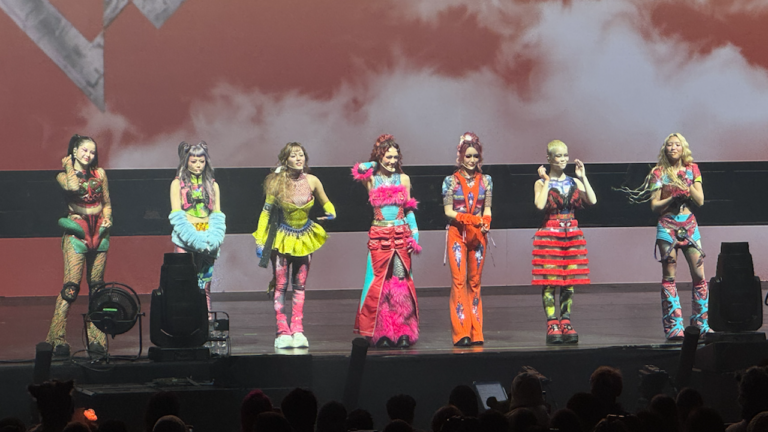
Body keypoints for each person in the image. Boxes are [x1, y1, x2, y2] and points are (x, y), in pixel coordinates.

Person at [620, 133, 709, 340]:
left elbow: (700, 200)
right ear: (665, 149)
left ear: (683, 148)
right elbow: (654, 205)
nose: (673, 148)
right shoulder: (658, 172)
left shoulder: (692, 169)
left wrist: (686, 186)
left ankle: (701, 323)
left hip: (689, 225)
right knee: (669, 276)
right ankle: (673, 326)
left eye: (677, 144)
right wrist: (671, 198)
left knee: (699, 275)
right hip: (667, 226)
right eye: (670, 145)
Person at [253, 142, 335, 349]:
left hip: (305, 237)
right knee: (281, 285)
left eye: (301, 155)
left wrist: (331, 212)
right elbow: (266, 212)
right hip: (282, 239)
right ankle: (282, 331)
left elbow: (326, 202)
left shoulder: (312, 181)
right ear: (285, 160)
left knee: (300, 285)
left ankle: (298, 329)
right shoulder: (276, 183)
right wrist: (260, 240)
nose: (298, 159)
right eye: (293, 155)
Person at [352, 134, 421, 348]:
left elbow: (408, 208)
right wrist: (375, 162)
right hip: (379, 237)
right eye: (388, 157)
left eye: (395, 157)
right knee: (379, 283)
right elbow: (360, 169)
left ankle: (403, 331)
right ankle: (381, 332)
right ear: (380, 157)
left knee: (400, 281)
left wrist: (415, 233)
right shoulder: (372, 180)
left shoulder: (404, 179)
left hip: (401, 236)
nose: (392, 161)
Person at [46, 134, 112, 357]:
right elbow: (73, 187)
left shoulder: (100, 174)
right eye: (84, 150)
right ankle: (57, 338)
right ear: (74, 151)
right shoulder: (63, 176)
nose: (88, 155)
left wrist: (107, 218)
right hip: (76, 234)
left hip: (99, 233)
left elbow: (106, 203)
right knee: (71, 288)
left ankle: (97, 339)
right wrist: (68, 165)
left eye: (92, 151)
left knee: (97, 288)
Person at [532, 140, 597, 344]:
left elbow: (592, 200)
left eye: (565, 155)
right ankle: (552, 322)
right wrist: (546, 180)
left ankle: (566, 320)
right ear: (549, 158)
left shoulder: (573, 182)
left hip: (571, 235)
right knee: (551, 281)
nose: (563, 159)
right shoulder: (541, 183)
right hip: (551, 235)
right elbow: (539, 204)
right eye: (558, 156)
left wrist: (583, 177)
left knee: (569, 281)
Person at [169, 141, 226, 346]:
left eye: (201, 161)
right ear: (186, 161)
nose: (198, 165)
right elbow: (176, 213)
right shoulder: (177, 184)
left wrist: (215, 236)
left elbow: (217, 213)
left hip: (208, 236)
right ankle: (184, 324)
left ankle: (206, 322)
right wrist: (190, 236)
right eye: (193, 161)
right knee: (184, 282)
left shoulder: (213, 185)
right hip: (185, 237)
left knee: (205, 284)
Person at [442, 132, 492, 347]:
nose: (472, 160)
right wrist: (468, 218)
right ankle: (461, 332)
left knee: (475, 282)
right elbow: (448, 211)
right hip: (457, 233)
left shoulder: (487, 180)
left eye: (475, 156)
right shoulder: (450, 181)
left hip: (478, 235)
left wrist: (486, 221)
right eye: (468, 156)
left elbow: (487, 208)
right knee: (459, 281)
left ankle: (476, 332)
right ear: (461, 156)